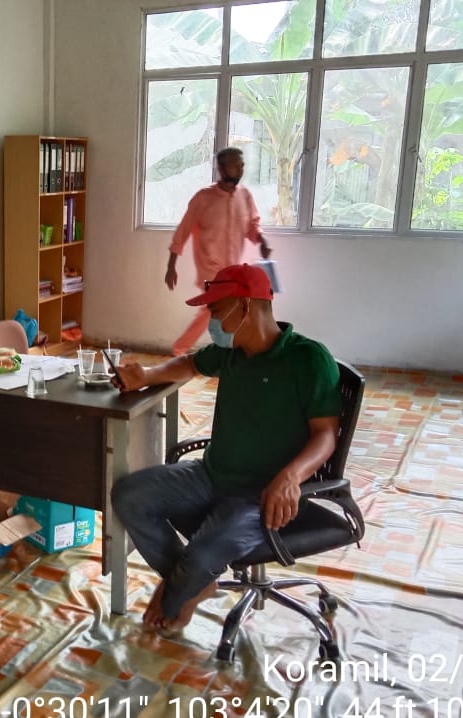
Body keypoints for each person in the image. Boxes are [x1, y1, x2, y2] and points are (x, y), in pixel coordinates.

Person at [111, 263, 341, 633]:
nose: (212, 320)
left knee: (203, 553)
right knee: (129, 495)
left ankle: (178, 593)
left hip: (261, 496)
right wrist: (145, 377)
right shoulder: (233, 352)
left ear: (245, 306)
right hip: (211, 475)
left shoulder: (308, 359)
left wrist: (291, 476)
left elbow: (326, 434)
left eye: (216, 310)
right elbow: (190, 364)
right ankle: (191, 584)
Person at [166, 147, 271, 356]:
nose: (240, 169)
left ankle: (228, 351)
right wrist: (171, 266)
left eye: (242, 165)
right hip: (210, 270)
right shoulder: (203, 199)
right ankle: (181, 351)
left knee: (226, 309)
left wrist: (262, 240)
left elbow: (252, 225)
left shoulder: (245, 196)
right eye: (235, 165)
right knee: (215, 309)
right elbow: (182, 232)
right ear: (221, 168)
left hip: (233, 270)